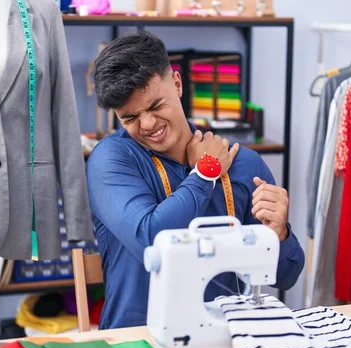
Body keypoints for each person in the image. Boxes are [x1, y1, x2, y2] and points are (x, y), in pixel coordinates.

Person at [87, 31, 305, 330]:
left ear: (177, 83)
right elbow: (153, 240)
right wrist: (205, 172)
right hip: (137, 343)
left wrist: (278, 234)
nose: (148, 124)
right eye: (130, 118)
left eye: (154, 106)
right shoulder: (111, 160)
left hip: (224, 338)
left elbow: (285, 278)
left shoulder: (243, 164)